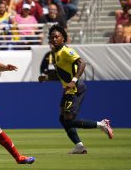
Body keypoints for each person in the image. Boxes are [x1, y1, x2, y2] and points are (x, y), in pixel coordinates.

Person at [38, 24, 114, 154]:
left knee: (69, 119)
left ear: (63, 38)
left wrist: (73, 81)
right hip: (68, 89)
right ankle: (79, 146)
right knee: (63, 119)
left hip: (76, 88)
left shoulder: (67, 51)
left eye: (57, 37)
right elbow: (60, 73)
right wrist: (46, 78)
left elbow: (82, 63)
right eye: (52, 37)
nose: (54, 39)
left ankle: (102, 124)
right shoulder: (56, 53)